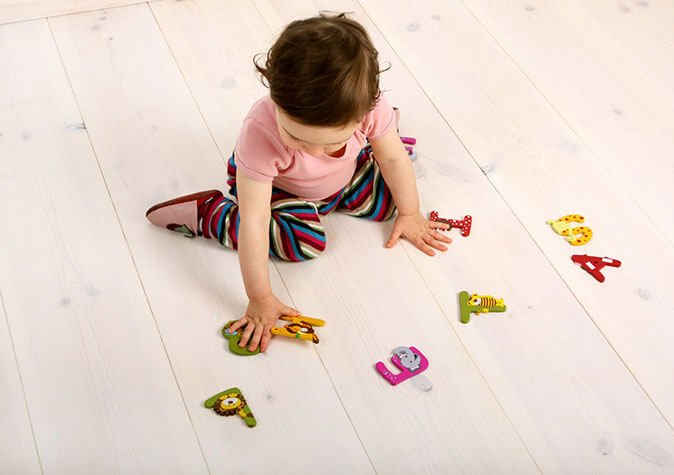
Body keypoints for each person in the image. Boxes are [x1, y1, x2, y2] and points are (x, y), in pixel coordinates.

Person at [146, 13, 451, 352]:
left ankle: (382, 135)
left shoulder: (370, 108)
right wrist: (260, 297)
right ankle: (211, 214)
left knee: (392, 200)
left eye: (331, 142)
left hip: (345, 177)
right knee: (304, 242)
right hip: (277, 189)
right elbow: (256, 220)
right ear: (276, 101)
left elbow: (393, 161)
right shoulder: (261, 133)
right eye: (297, 137)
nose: (314, 152)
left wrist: (410, 213)